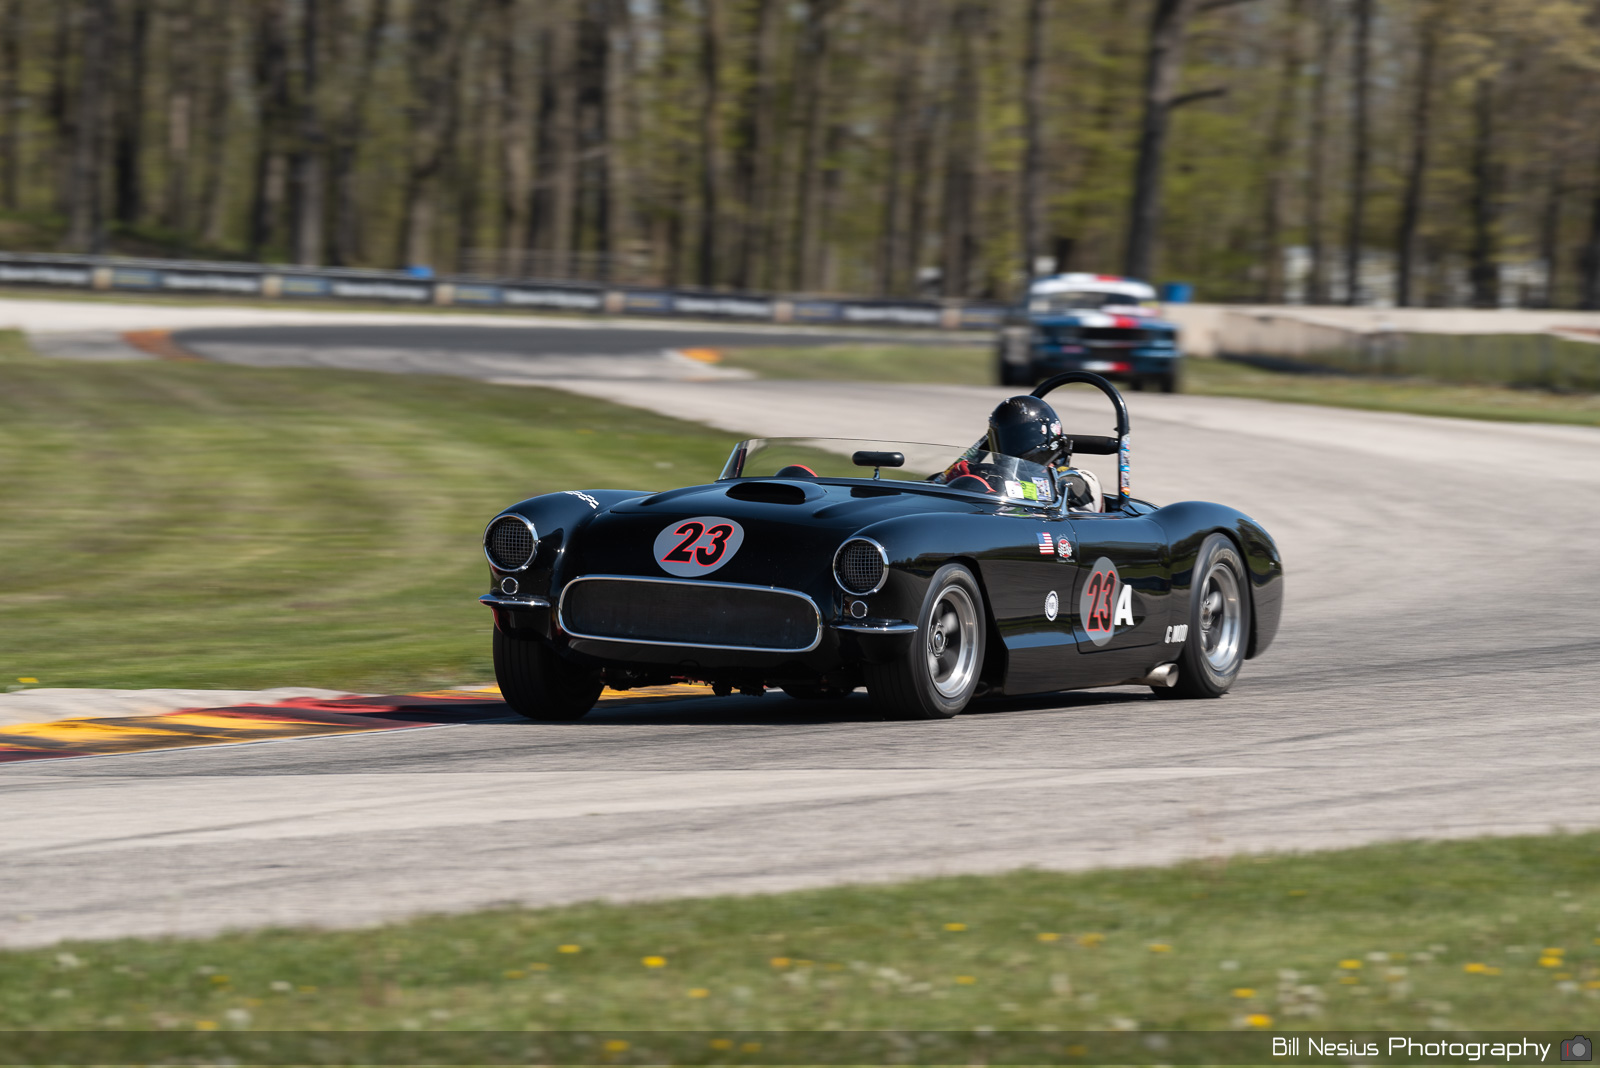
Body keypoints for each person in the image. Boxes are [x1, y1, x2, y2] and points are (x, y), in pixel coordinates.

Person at [942, 395, 1103, 510]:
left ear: (1043, 436)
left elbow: (1049, 491)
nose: (1010, 443)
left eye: (1018, 436)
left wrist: (998, 482)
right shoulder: (995, 476)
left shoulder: (1078, 480)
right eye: (1004, 437)